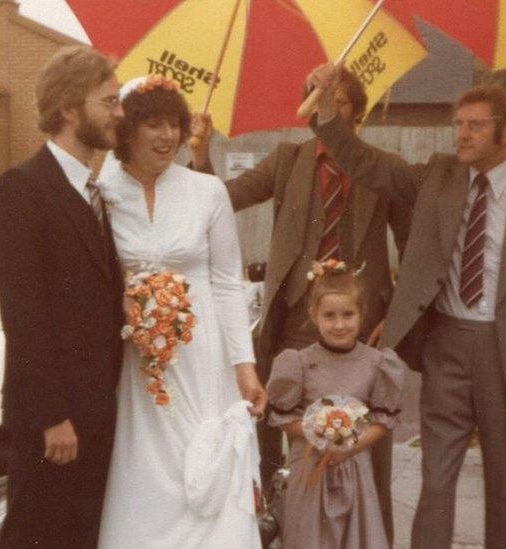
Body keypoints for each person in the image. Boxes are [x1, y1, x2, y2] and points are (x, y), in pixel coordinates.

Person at [306, 63, 506, 548]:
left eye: (475, 125)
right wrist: (326, 105)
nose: (462, 134)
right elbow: (362, 160)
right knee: (436, 482)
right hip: (446, 347)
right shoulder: (436, 177)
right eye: (458, 124)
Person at [189, 69, 411, 539]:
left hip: (361, 325)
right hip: (295, 321)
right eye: (314, 98)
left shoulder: (384, 167)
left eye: (336, 101)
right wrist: (199, 154)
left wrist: (395, 315)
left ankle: (370, 536)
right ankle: (282, 527)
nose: (323, 109)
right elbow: (222, 200)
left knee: (366, 440)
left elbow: (411, 248)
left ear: (359, 112)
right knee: (285, 434)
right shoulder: (288, 160)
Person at [94, 74, 268, 548]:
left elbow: (229, 283)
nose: (167, 136)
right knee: (147, 466)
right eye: (152, 125)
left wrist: (244, 366)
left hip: (201, 353)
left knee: (204, 459)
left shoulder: (206, 192)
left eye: (173, 124)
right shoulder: (102, 194)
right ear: (126, 131)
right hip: (138, 362)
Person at [0, 45, 125, 548]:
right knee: (36, 537)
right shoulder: (23, 189)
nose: (119, 114)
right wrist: (52, 418)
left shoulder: (96, 193)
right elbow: (23, 314)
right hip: (56, 421)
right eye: (109, 102)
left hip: (96, 412)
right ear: (69, 109)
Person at [265, 262, 404, 549]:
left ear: (362, 315)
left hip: (354, 466)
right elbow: (283, 419)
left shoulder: (376, 363)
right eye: (329, 316)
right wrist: (320, 434)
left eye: (347, 315)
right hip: (309, 468)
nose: (339, 324)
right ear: (313, 315)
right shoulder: (299, 362)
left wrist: (350, 445)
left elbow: (382, 421)